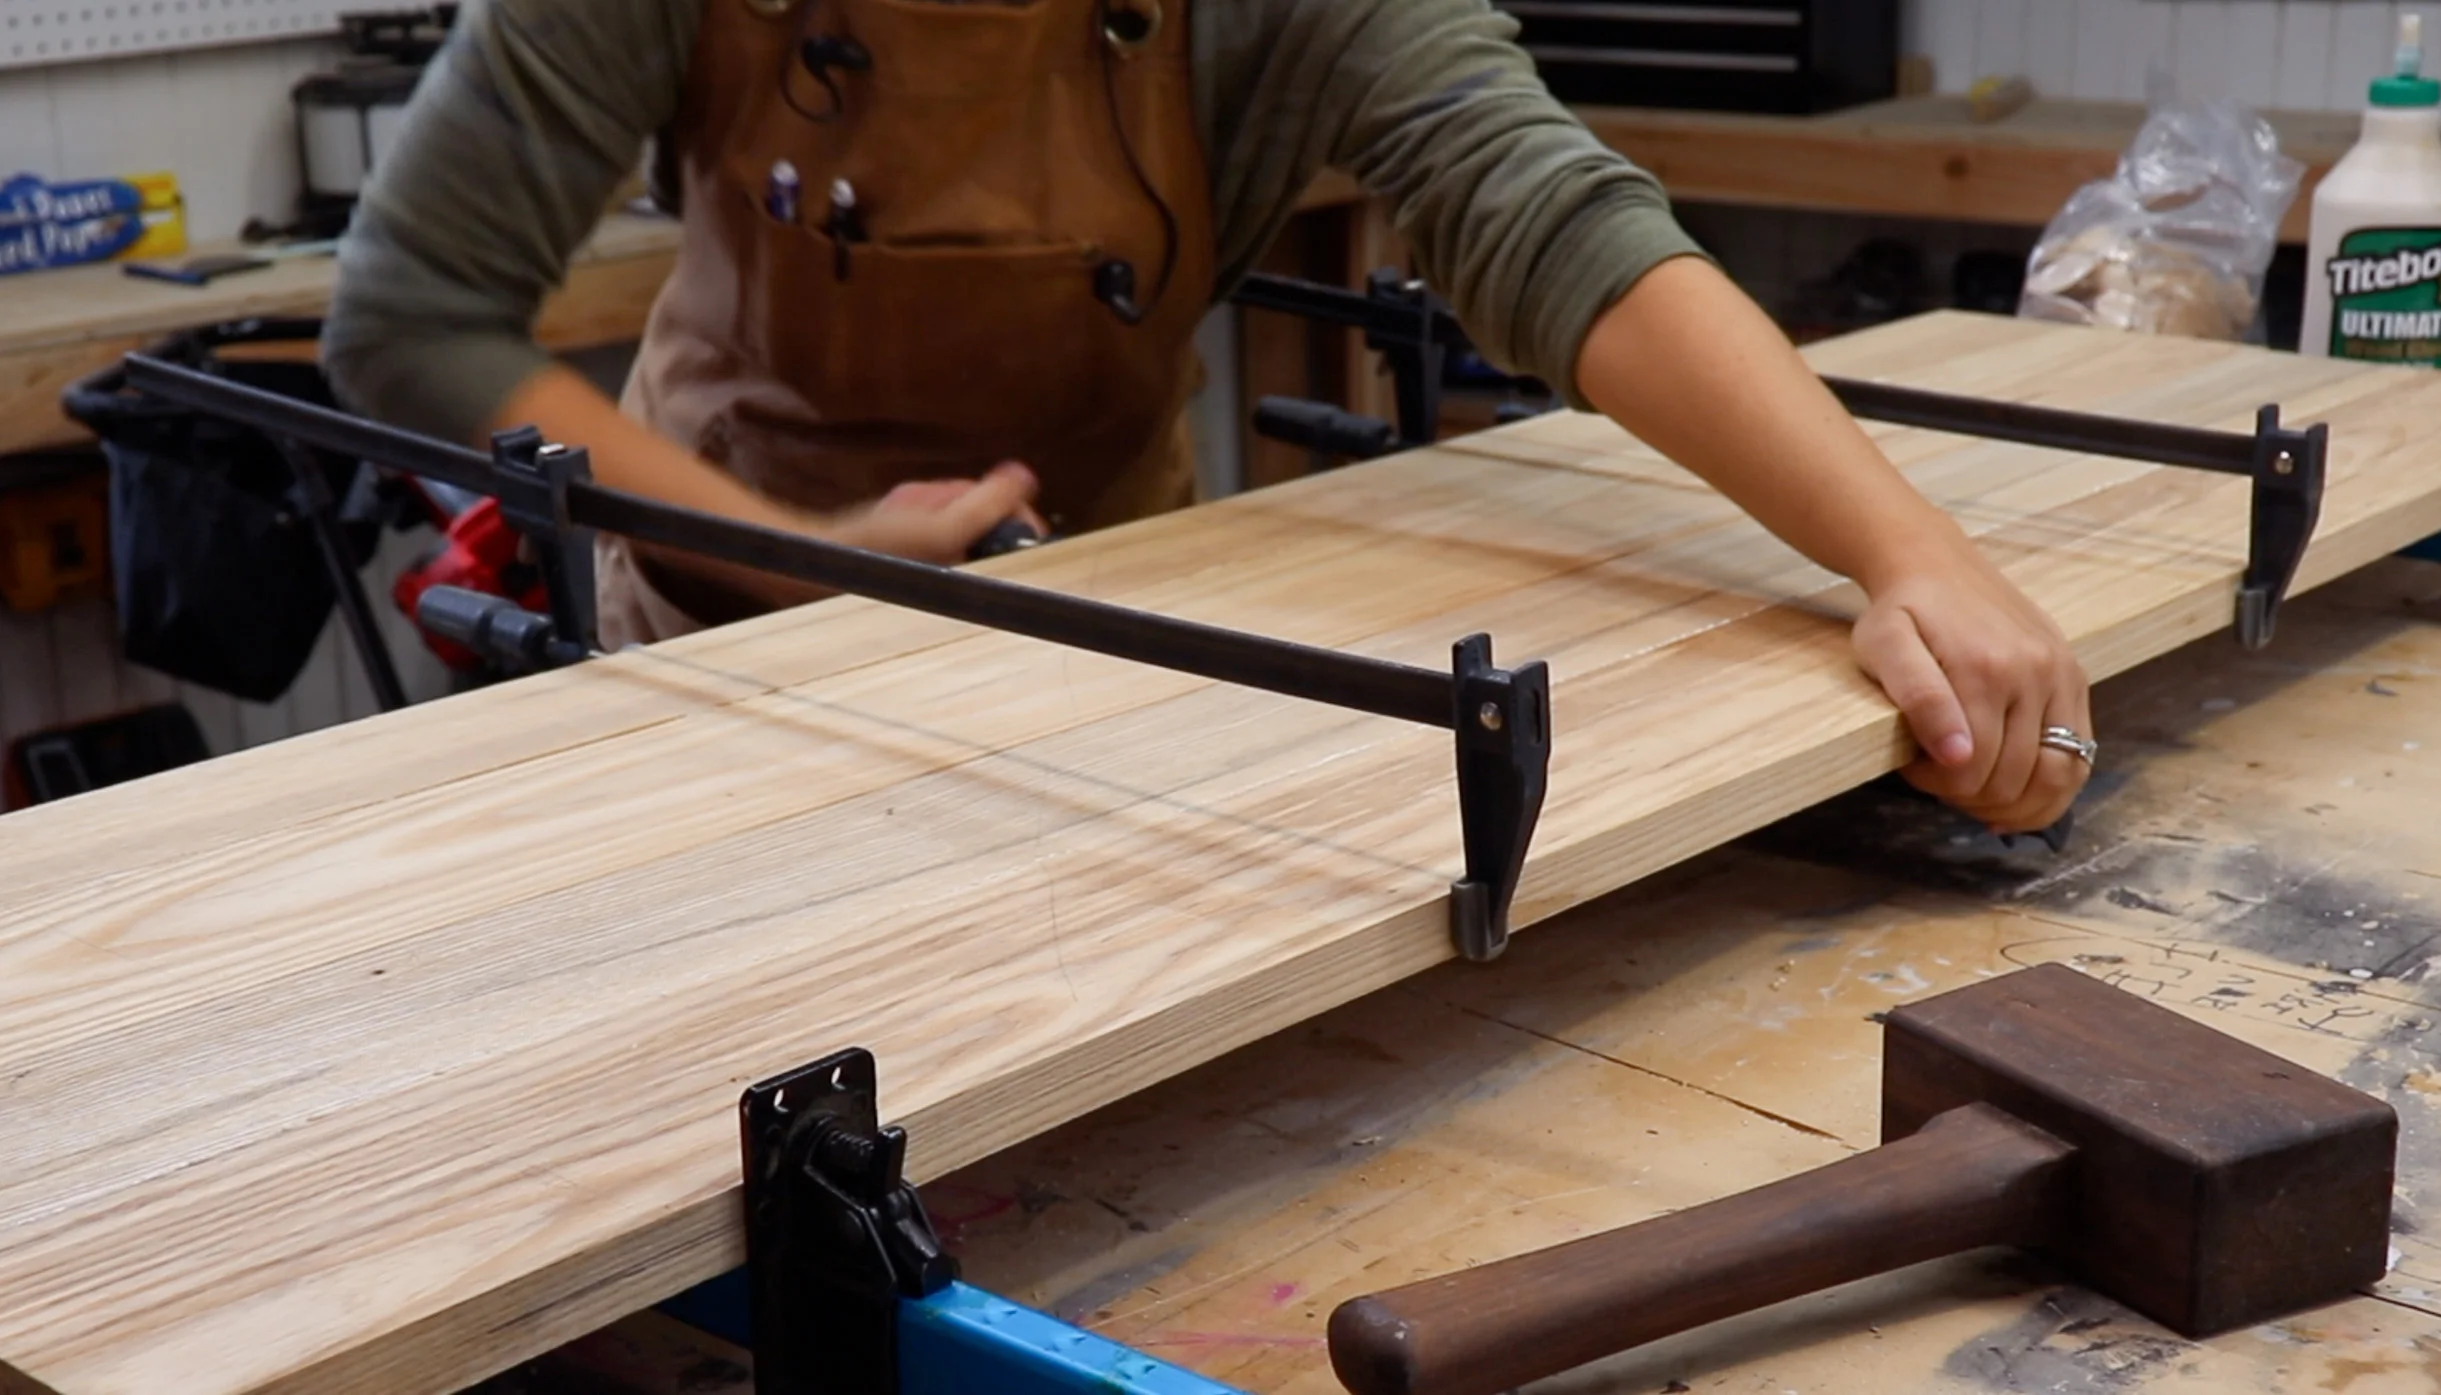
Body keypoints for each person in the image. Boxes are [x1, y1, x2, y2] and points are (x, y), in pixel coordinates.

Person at [323, 0, 2094, 835]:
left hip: (1107, 635)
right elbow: (410, 315)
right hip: (727, 639)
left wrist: (1910, 554)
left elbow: (1553, 221)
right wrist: (805, 567)